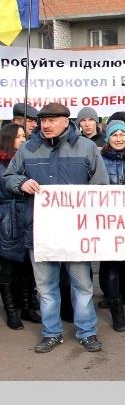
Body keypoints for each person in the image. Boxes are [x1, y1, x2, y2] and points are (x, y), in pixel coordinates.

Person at [3, 102, 109, 353]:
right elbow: (8, 177)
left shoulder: (86, 147)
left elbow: (101, 184)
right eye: (43, 121)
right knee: (46, 288)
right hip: (40, 232)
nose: (46, 125)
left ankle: (87, 332)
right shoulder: (28, 149)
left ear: (65, 121)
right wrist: (20, 183)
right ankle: (51, 333)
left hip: (76, 232)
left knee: (82, 286)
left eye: (52, 120)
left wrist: (84, 203)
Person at [99, 120, 125, 332]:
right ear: (108, 138)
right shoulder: (98, 158)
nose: (118, 138)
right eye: (114, 135)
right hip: (107, 222)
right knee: (110, 268)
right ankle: (116, 312)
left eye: (122, 134)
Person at [0, 124, 41, 330]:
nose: (23, 139)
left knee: (27, 268)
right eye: (19, 136)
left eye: (24, 136)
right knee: (7, 272)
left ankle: (26, 308)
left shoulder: (27, 160)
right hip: (7, 221)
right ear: (8, 139)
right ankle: (11, 312)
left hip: (28, 217)